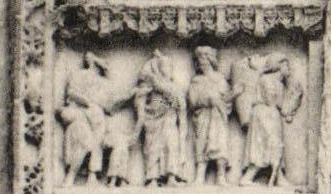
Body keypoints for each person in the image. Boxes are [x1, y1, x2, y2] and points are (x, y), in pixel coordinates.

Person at [57, 53, 130, 184]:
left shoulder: (103, 82)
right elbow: (71, 92)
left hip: (95, 117)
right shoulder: (79, 75)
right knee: (86, 137)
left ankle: (92, 174)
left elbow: (110, 104)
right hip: (78, 112)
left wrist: (130, 95)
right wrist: (88, 102)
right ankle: (72, 175)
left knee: (98, 135)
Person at [237, 53, 303, 185]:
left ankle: (278, 176)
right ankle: (248, 178)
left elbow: (283, 109)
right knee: (265, 144)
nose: (288, 69)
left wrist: (296, 97)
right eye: (286, 65)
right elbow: (271, 100)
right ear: (278, 66)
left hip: (272, 116)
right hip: (263, 115)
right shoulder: (266, 80)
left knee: (274, 144)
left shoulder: (279, 84)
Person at [132, 50, 188, 183]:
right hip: (153, 121)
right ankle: (152, 178)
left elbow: (181, 104)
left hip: (170, 120)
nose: (167, 70)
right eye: (164, 67)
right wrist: (152, 107)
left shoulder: (173, 87)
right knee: (152, 147)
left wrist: (167, 94)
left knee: (171, 146)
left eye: (169, 67)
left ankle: (171, 176)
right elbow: (139, 103)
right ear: (158, 68)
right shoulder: (150, 86)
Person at [187, 47, 235, 184]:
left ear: (211, 61)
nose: (203, 64)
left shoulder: (220, 79)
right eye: (200, 61)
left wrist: (229, 97)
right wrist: (207, 99)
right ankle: (200, 176)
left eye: (205, 60)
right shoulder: (196, 80)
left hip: (218, 116)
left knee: (220, 143)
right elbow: (192, 101)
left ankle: (221, 176)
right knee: (201, 143)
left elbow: (226, 99)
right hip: (203, 115)